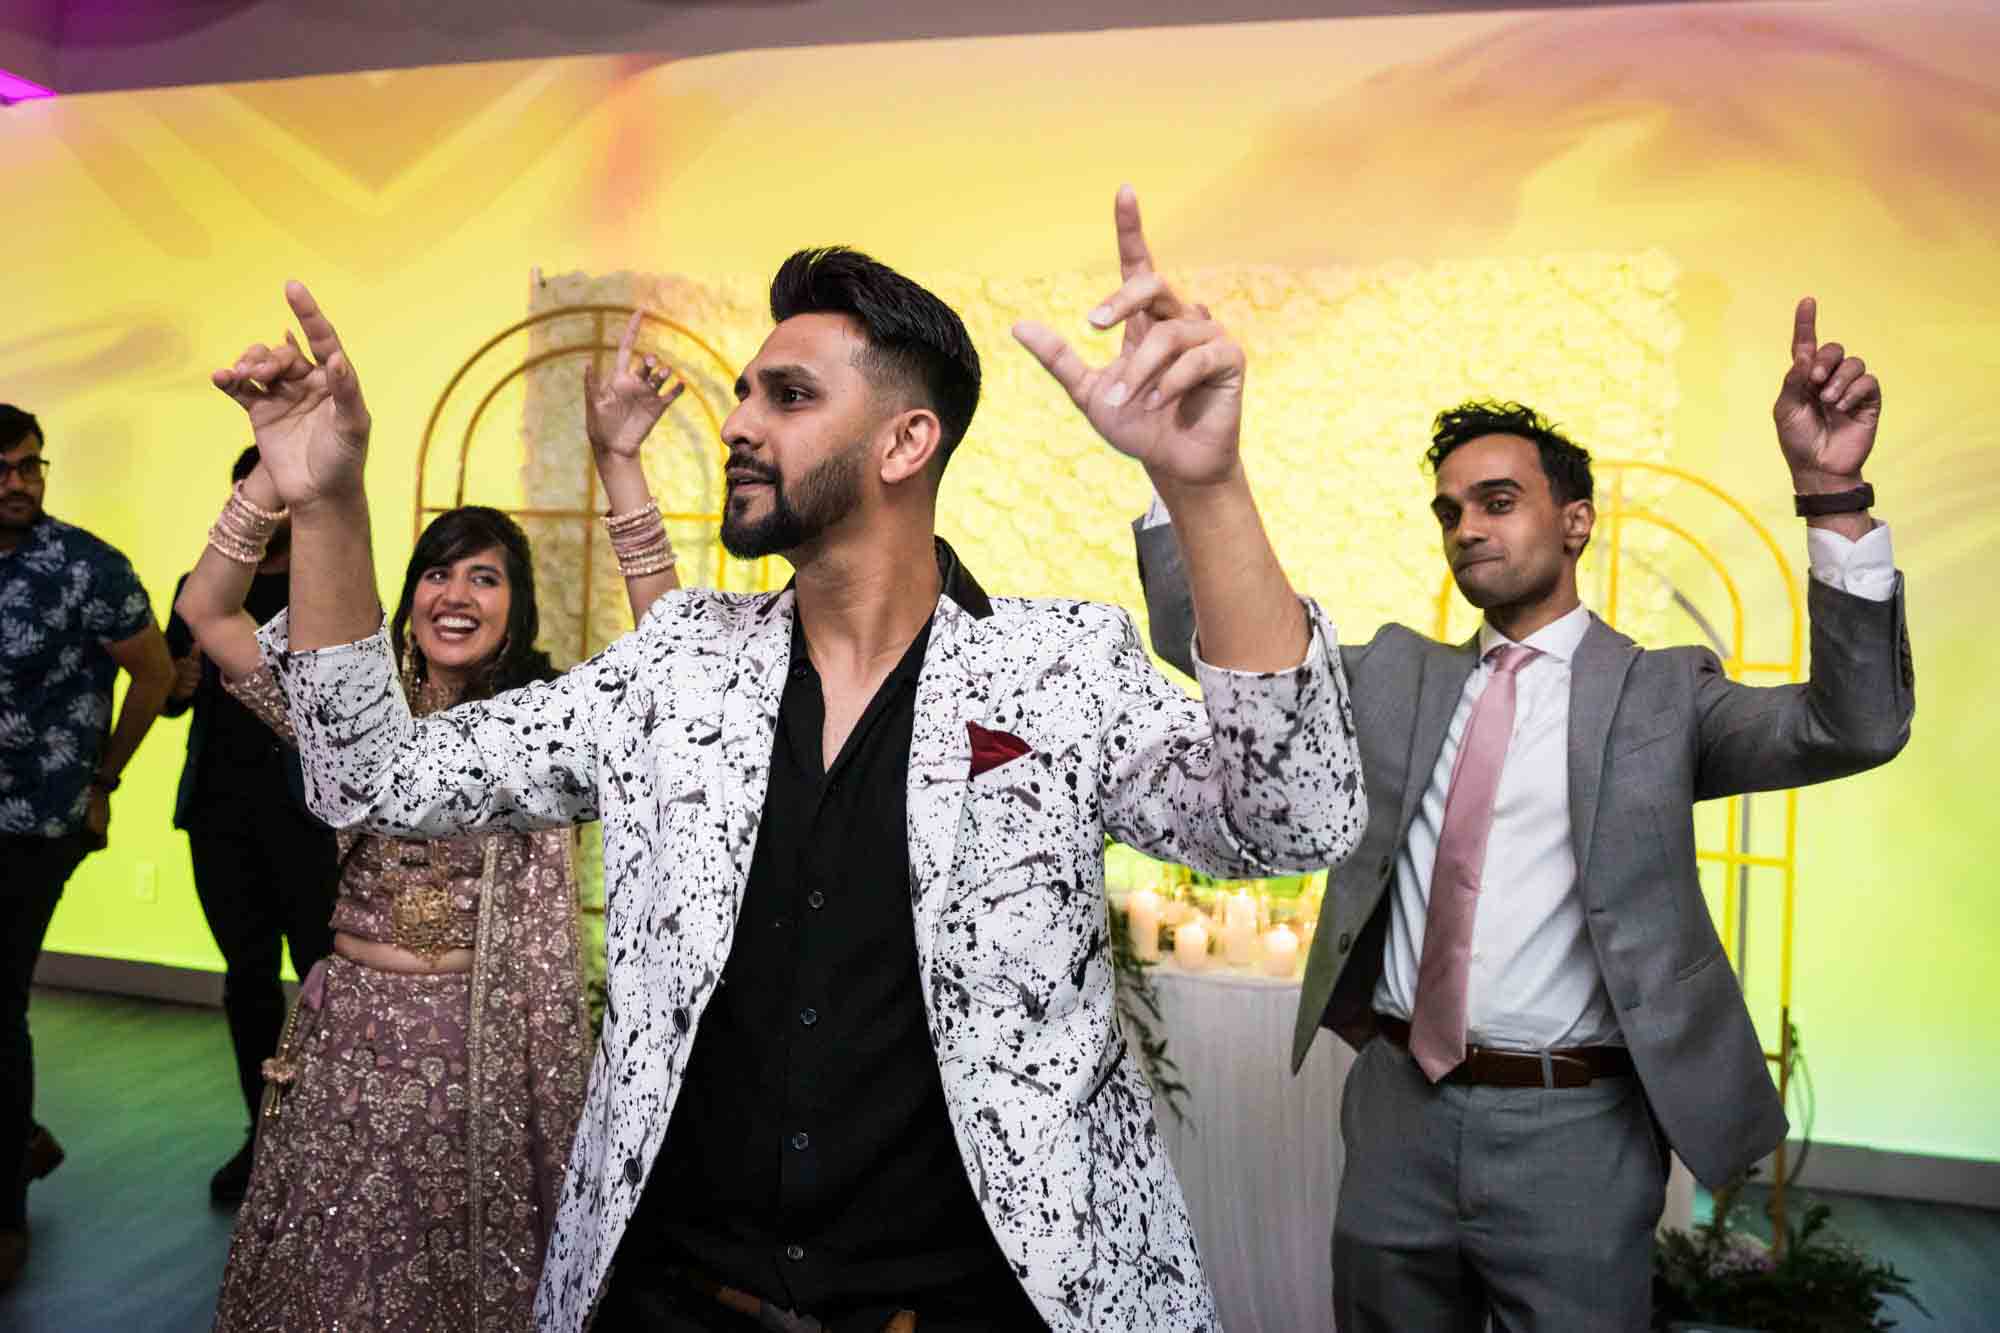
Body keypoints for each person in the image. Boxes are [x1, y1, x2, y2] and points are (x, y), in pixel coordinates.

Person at [220, 192, 1364, 1331]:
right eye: (744, 393)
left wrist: (1203, 487)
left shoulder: (1053, 668)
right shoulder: (675, 668)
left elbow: (1290, 820)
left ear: (905, 442)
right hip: (676, 1298)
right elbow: (372, 778)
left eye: (789, 395)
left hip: (974, 1305)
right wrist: (325, 507)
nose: (736, 424)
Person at [1134, 299, 1912, 1330]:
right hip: (1394, 1114)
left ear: (1573, 519)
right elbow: (1209, 634)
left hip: (1576, 1131)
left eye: (1496, 500)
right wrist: (1173, 471)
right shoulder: (1394, 677)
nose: (1467, 529)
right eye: (1450, 511)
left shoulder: (1660, 693)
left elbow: (1852, 725)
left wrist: (1830, 494)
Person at [182, 339, 679, 1329]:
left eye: (485, 578)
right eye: (438, 573)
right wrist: (274, 486)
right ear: (407, 595)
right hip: (350, 1033)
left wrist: (619, 465)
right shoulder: (355, 711)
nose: (457, 595)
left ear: (514, 606)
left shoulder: (540, 731)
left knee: (448, 1269)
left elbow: (675, 681)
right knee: (331, 1262)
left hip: (478, 1049)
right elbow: (208, 608)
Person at [0, 404, 175, 1290]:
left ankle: (4, 1213)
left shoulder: (85, 564)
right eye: (4, 469)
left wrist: (104, 781)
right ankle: (20, 1136)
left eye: (32, 465)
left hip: (38, 818)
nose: (20, 482)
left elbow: (155, 671)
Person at [162, 446, 340, 1206]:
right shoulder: (198, 587)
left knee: (325, 978)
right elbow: (172, 694)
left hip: (306, 818)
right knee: (248, 983)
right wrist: (180, 680)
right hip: (220, 814)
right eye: (249, 494)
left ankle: (330, 1136)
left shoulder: (326, 587)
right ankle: (260, 1133)